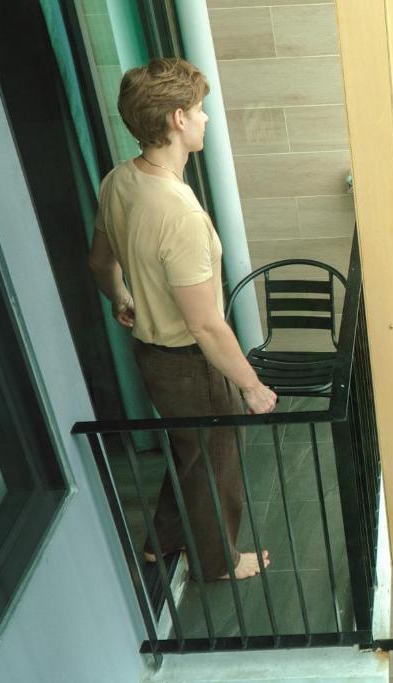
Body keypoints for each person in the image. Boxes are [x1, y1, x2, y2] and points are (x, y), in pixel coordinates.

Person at [88, 58, 276, 580]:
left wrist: (121, 297)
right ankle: (218, 563)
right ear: (176, 119)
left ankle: (162, 542)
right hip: (189, 363)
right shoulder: (180, 213)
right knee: (216, 462)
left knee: (189, 448)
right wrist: (251, 386)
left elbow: (100, 263)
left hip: (151, 356)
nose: (205, 119)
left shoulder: (120, 181)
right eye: (198, 110)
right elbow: (207, 325)